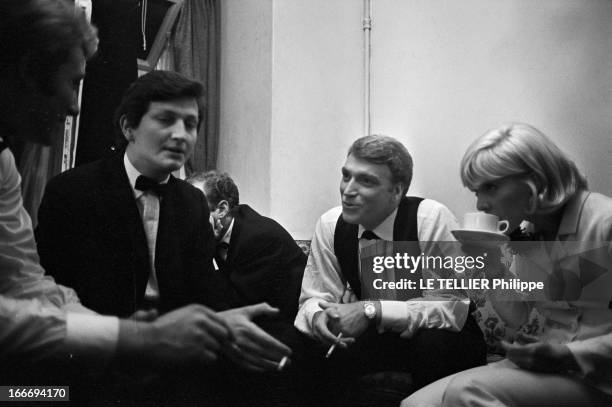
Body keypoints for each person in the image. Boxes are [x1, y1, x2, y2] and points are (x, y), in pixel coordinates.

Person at [0, 0, 289, 399]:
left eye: (191, 124)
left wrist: (215, 324)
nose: (74, 105)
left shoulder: (191, 202)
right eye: (167, 120)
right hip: (79, 369)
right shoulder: (72, 191)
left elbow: (25, 281)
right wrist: (127, 338)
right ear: (128, 127)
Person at [402, 122, 612, 407]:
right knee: (416, 404)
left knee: (465, 393)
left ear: (535, 181)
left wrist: (570, 354)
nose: (481, 205)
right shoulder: (533, 233)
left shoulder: (604, 224)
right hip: (553, 369)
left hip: (598, 378)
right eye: (476, 191)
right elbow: (517, 317)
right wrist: (491, 263)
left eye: (490, 187)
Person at [295, 135, 486, 404]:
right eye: (346, 176)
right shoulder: (330, 224)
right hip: (380, 337)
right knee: (307, 345)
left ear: (396, 191)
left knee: (433, 343)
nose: (348, 190)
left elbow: (450, 306)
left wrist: (370, 310)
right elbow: (313, 297)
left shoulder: (430, 218)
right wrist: (318, 318)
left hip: (442, 335)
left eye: (366, 181)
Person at [188, 170, 307, 322]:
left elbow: (234, 307)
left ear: (222, 209)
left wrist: (205, 248)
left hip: (284, 326)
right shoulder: (210, 232)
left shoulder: (260, 238)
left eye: (194, 206)